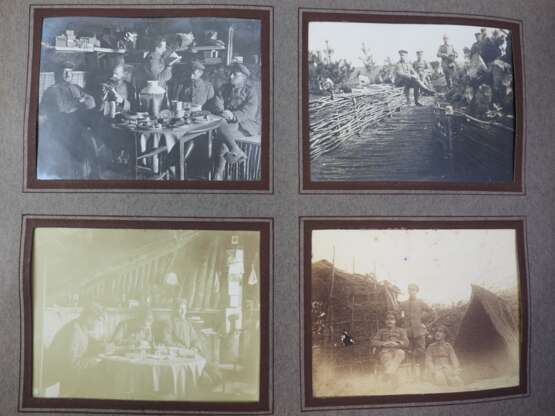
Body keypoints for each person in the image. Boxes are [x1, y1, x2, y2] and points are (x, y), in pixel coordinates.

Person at [38, 62, 97, 179]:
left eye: (69, 72)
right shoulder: (52, 90)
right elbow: (62, 108)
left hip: (75, 125)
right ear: (58, 74)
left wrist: (83, 101)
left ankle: (89, 175)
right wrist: (80, 101)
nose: (67, 74)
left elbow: (92, 103)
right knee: (76, 147)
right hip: (59, 127)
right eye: (64, 72)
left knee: (90, 144)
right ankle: (74, 176)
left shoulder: (75, 87)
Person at [207, 62, 260, 180]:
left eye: (234, 74)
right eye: (230, 73)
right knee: (222, 127)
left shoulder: (250, 91)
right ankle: (234, 151)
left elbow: (249, 111)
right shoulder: (224, 88)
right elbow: (217, 102)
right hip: (225, 121)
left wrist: (233, 115)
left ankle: (218, 173)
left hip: (245, 124)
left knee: (222, 136)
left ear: (243, 77)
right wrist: (222, 111)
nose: (230, 76)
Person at [44, 303, 105, 397]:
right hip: (60, 375)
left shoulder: (80, 326)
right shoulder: (74, 331)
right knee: (100, 377)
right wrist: (94, 361)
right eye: (98, 320)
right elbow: (71, 363)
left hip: (67, 371)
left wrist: (102, 346)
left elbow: (88, 342)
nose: (98, 324)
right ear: (89, 318)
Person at [399, 283, 436, 377]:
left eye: (414, 290)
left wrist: (422, 321)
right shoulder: (404, 303)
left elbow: (432, 313)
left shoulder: (421, 302)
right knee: (409, 351)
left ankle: (422, 374)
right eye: (410, 290)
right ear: (408, 291)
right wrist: (402, 321)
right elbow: (396, 314)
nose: (412, 292)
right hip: (407, 331)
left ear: (417, 291)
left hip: (419, 331)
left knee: (421, 351)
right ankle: (412, 374)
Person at [371, 312, 409, 388]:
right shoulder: (381, 331)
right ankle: (393, 380)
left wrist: (397, 343)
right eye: (387, 319)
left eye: (392, 319)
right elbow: (374, 342)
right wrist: (384, 343)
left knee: (400, 353)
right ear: (385, 321)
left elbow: (406, 342)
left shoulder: (401, 330)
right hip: (385, 351)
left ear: (395, 321)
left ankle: (388, 373)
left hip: (398, 350)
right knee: (387, 357)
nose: (389, 321)